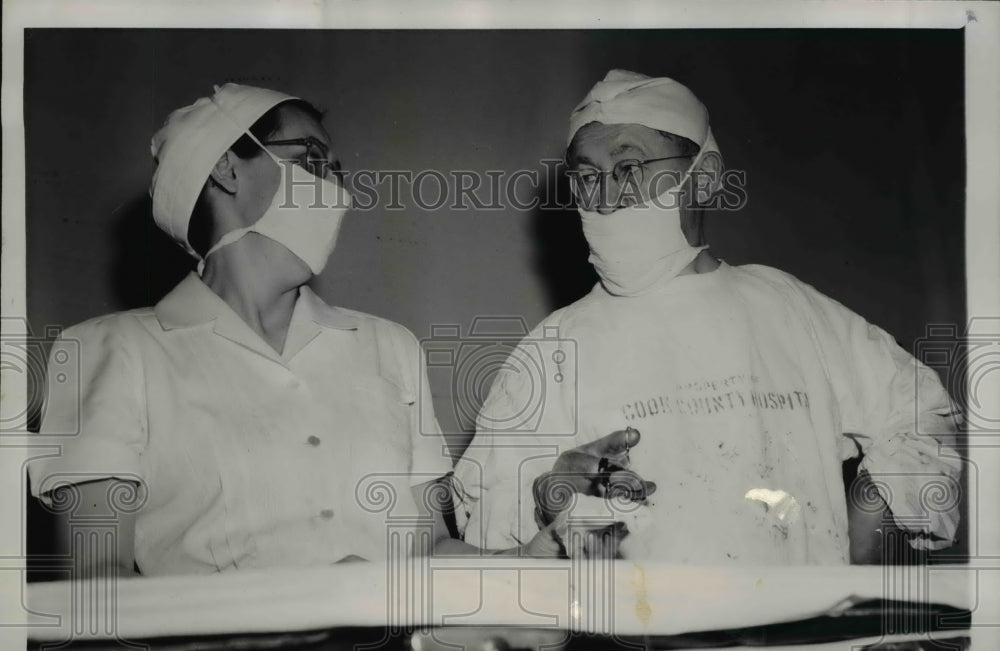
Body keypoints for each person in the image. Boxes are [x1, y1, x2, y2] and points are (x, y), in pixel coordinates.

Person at [455, 69, 963, 564]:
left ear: (704, 177)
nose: (605, 198)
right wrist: (548, 500)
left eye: (629, 168)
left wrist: (864, 542)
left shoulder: (787, 307)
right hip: (643, 622)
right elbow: (493, 535)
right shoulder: (553, 350)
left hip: (806, 619)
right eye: (587, 178)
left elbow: (916, 411)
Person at [28, 83, 482, 577]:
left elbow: (433, 549)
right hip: (228, 633)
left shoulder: (389, 345)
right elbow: (97, 581)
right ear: (226, 167)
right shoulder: (111, 350)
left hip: (396, 629)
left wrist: (525, 563)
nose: (335, 189)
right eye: (311, 158)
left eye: (336, 171)